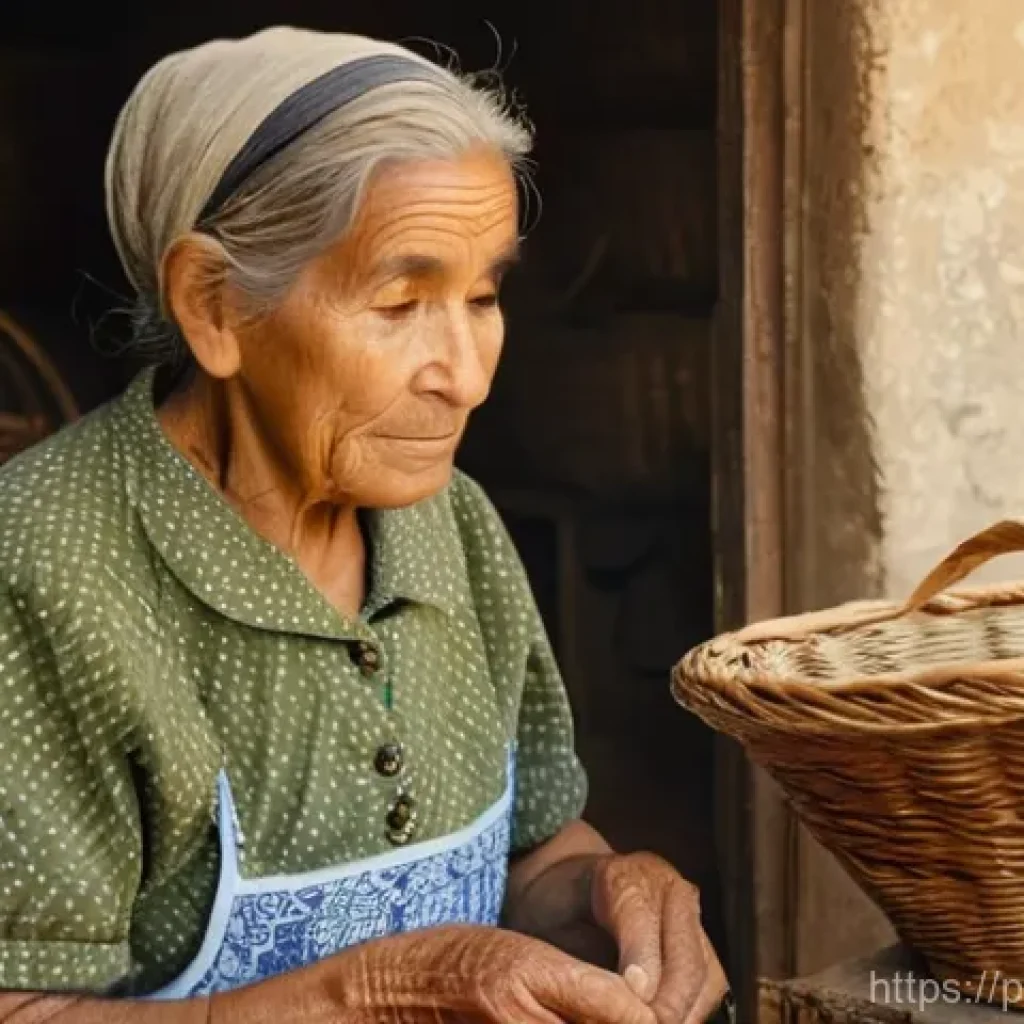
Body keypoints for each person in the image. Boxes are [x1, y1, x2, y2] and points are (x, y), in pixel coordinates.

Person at [0, 26, 728, 1024]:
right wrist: (376, 990)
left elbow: (532, 849)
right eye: (399, 304)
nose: (465, 377)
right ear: (214, 306)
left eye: (481, 296)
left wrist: (611, 891)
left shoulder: (451, 523)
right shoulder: (45, 562)